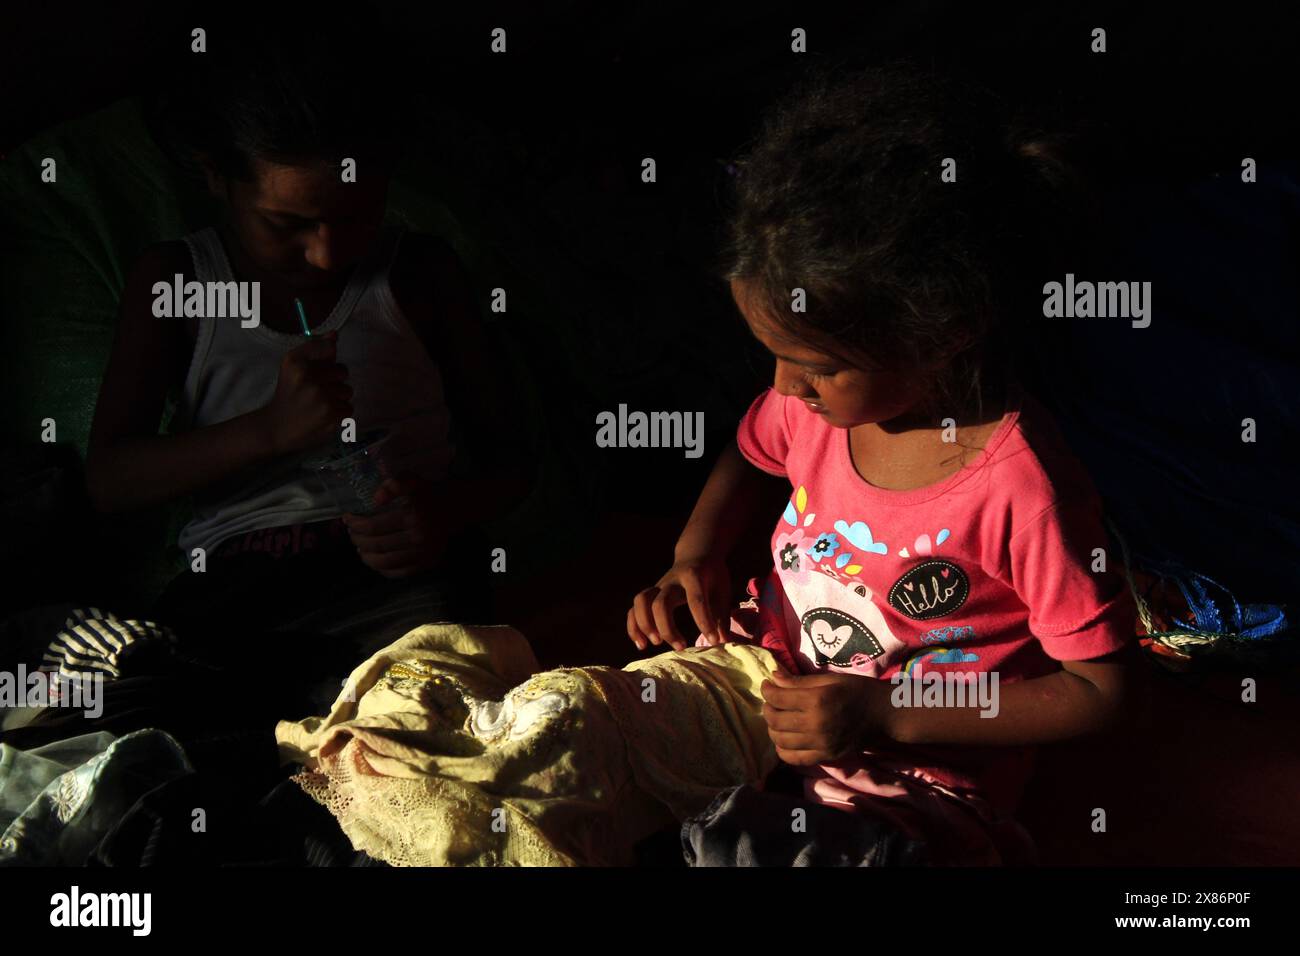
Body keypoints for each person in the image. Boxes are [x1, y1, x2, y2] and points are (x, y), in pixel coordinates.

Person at [627, 62, 1137, 864]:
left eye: (815, 367)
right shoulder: (813, 410)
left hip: (913, 781)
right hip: (753, 686)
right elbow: (750, 452)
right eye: (773, 357)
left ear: (943, 329)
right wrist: (697, 554)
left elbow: (1096, 692)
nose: (784, 388)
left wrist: (888, 712)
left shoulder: (1022, 489)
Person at [84, 23, 529, 653]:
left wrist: (442, 513)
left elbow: (512, 463)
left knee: (422, 702)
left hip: (403, 584)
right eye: (287, 224)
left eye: (358, 216)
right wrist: (269, 431)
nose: (326, 255)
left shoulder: (419, 274)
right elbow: (108, 480)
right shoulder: (178, 281)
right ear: (216, 174)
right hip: (237, 589)